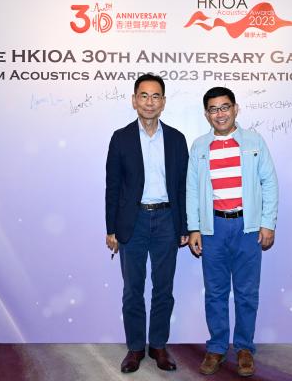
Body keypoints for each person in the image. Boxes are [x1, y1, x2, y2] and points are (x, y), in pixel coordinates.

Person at [186, 87, 278, 377]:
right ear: (206, 114)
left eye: (225, 107)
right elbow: (191, 190)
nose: (220, 114)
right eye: (213, 109)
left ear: (235, 108)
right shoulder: (199, 146)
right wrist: (194, 228)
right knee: (215, 292)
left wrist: (267, 222)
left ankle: (244, 348)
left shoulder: (254, 141)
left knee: (246, 292)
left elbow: (269, 182)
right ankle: (216, 348)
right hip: (213, 228)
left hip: (247, 228)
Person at [105, 73, 189, 373]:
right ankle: (135, 348)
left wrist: (185, 226)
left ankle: (158, 345)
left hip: (167, 220)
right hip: (133, 222)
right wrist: (111, 228)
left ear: (163, 102)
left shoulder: (177, 139)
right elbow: (113, 186)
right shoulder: (121, 138)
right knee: (132, 290)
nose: (149, 102)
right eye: (144, 95)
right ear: (134, 100)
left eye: (155, 96)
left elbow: (183, 187)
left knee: (163, 289)